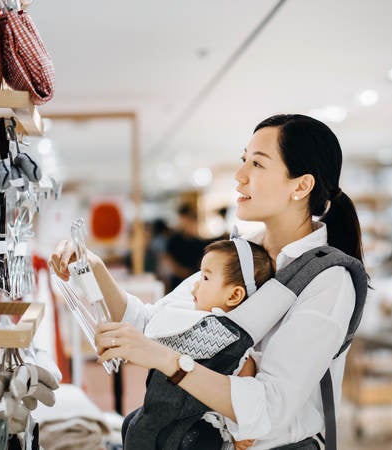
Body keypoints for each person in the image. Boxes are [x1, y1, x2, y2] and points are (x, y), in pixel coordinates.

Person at [51, 114, 365, 449]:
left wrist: (167, 360)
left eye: (257, 164)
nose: (240, 175)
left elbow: (269, 407)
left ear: (301, 186)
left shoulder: (329, 280)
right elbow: (155, 326)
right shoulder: (239, 255)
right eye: (245, 160)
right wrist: (95, 269)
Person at [121, 238, 274, 449]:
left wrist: (240, 431)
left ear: (234, 295)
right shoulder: (188, 324)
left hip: (199, 426)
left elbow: (241, 392)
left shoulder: (235, 344)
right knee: (131, 423)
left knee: (194, 441)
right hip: (163, 417)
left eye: (205, 278)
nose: (194, 284)